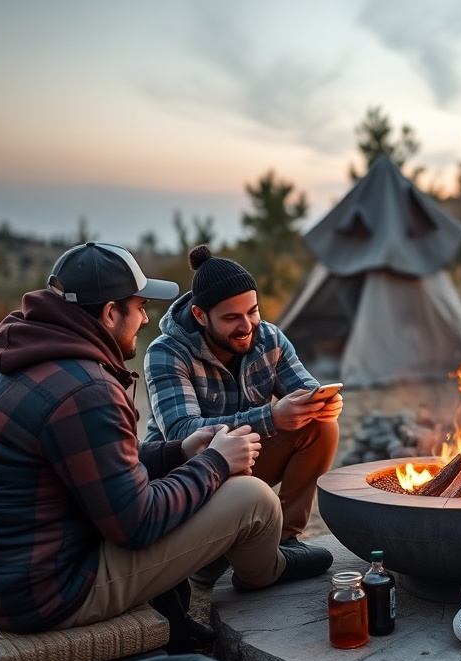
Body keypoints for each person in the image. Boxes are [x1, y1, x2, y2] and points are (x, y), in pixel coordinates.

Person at [0, 242, 332, 637]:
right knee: (252, 497)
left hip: (5, 575)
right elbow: (137, 524)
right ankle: (268, 568)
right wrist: (216, 463)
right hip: (47, 594)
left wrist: (178, 451)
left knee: (220, 477)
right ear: (110, 312)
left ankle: (197, 600)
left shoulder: (17, 359)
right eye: (138, 307)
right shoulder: (84, 388)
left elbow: (102, 466)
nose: (146, 318)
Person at [144, 244, 340, 586]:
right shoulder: (165, 353)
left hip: (246, 462)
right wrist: (271, 417)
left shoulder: (268, 338)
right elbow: (182, 434)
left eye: (252, 311)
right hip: (192, 476)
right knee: (222, 451)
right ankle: (210, 555)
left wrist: (320, 402)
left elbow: (303, 387)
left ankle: (283, 542)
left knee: (323, 427)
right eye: (232, 317)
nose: (247, 325)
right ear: (200, 315)